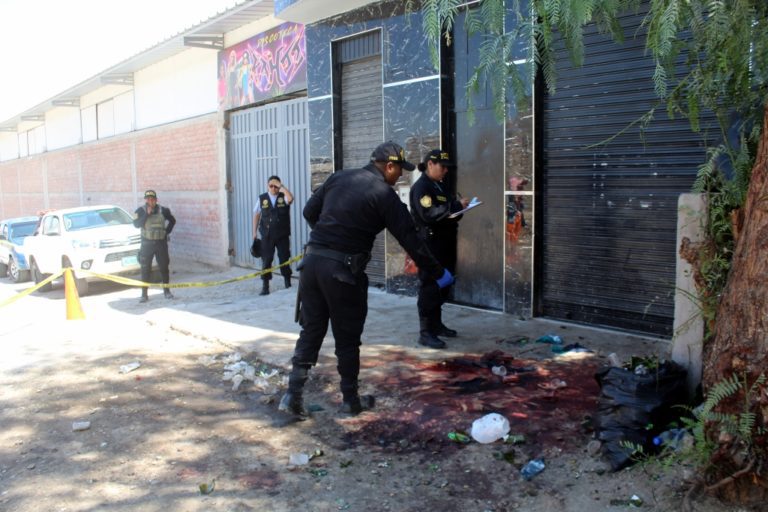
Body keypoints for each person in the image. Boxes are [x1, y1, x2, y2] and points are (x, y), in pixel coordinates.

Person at [278, 141, 454, 419]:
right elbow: (411, 239)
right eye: (400, 172)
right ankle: (350, 401)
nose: (401, 178)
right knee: (347, 338)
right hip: (343, 272)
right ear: (389, 166)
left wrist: (329, 238)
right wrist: (437, 272)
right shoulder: (383, 194)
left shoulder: (338, 177)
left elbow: (309, 212)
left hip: (311, 264)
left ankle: (292, 396)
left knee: (311, 330)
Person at [410, 149, 469, 349]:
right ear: (430, 164)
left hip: (446, 244)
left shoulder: (440, 186)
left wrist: (460, 208)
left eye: (447, 168)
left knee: (443, 286)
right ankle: (425, 332)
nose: (445, 171)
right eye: (442, 167)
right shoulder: (422, 187)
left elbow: (449, 211)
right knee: (430, 287)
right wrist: (454, 207)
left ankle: (436, 325)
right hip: (430, 246)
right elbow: (429, 214)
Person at [253, 176, 294, 295]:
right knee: (266, 260)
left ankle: (287, 282)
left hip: (282, 235)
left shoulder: (283, 197)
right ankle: (265, 286)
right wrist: (254, 232)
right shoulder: (262, 198)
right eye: (271, 185)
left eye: (275, 186)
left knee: (284, 258)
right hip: (267, 235)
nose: (273, 188)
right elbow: (256, 214)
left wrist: (282, 187)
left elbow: (290, 199)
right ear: (267, 185)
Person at [133, 190, 176, 303]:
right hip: (147, 244)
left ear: (156, 200)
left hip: (160, 244)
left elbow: (173, 221)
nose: (150, 201)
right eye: (148, 199)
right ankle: (144, 294)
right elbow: (136, 225)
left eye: (152, 199)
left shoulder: (164, 210)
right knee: (145, 268)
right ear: (145, 200)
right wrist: (147, 214)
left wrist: (166, 232)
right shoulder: (140, 211)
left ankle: (167, 292)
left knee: (164, 268)